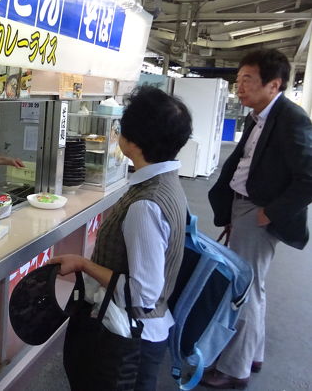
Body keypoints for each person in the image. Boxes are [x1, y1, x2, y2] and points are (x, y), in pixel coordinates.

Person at [51, 86, 192, 391]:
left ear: (132, 141)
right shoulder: (166, 184)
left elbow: (142, 294)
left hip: (127, 338)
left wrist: (83, 265)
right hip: (143, 331)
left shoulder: (146, 205)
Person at [203, 49, 312, 388]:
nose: (240, 87)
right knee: (254, 286)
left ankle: (235, 369)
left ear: (274, 84)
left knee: (242, 289)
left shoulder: (291, 119)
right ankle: (252, 353)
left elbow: (309, 175)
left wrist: (270, 212)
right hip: (245, 206)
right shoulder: (261, 115)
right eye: (238, 80)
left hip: (257, 210)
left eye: (247, 80)